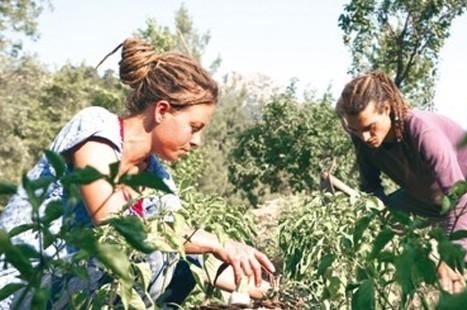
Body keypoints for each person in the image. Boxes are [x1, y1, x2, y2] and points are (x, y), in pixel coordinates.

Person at [0, 38, 274, 308]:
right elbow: (115, 222)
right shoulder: (96, 129)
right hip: (23, 287)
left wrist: (267, 287)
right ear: (162, 110)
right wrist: (216, 242)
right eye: (194, 127)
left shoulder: (157, 179)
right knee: (150, 258)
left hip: (73, 292)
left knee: (178, 266)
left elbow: (187, 255)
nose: (197, 141)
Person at [335, 71, 467, 294]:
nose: (365, 137)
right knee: (378, 212)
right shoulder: (363, 140)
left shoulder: (422, 130)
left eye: (369, 128)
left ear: (386, 109)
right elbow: (371, 190)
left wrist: (451, 255)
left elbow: (461, 197)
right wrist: (383, 219)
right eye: (355, 130)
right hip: (429, 198)